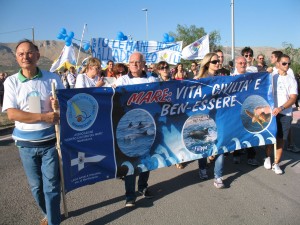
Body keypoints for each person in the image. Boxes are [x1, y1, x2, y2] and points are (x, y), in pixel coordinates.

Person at [2, 39, 64, 225]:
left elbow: (64, 108)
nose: (25, 57)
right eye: (21, 54)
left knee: (52, 186)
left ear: (37, 55)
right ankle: (50, 213)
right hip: (25, 144)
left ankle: (53, 221)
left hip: (50, 142)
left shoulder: (53, 78)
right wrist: (44, 117)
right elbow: (12, 114)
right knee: (36, 186)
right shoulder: (11, 81)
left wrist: (57, 105)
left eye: (29, 53)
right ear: (16, 57)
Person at [114, 52, 157, 207]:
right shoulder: (122, 80)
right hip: (129, 127)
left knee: (146, 160)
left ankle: (143, 187)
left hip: (148, 126)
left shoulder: (152, 79)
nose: (134, 64)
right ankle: (130, 195)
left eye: (137, 62)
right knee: (131, 162)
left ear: (143, 63)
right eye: (131, 62)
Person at [262, 54, 298, 174]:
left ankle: (276, 163)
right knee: (270, 137)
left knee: (281, 139)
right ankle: (267, 157)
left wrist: (281, 108)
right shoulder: (271, 76)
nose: (286, 66)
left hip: (285, 114)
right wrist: (266, 72)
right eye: (284, 63)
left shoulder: (291, 80)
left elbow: (293, 98)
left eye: (288, 63)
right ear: (278, 63)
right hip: (271, 112)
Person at [194, 52, 225, 188]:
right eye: (214, 61)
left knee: (221, 146)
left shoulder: (223, 79)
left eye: (218, 61)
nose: (218, 63)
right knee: (204, 146)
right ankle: (202, 168)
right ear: (207, 64)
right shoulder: (197, 79)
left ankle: (218, 176)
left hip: (220, 118)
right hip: (203, 119)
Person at [231, 56, 259, 166]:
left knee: (250, 133)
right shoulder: (231, 78)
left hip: (249, 109)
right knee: (238, 133)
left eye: (244, 63)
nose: (243, 64)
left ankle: (251, 157)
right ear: (236, 65)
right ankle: (236, 155)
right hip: (235, 111)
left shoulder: (250, 77)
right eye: (240, 63)